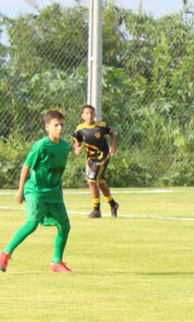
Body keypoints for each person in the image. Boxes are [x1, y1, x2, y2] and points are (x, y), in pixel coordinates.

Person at [1, 111, 74, 275]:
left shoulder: (64, 147)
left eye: (62, 124)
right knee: (32, 223)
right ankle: (5, 253)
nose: (60, 128)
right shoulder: (41, 146)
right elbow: (26, 167)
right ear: (47, 127)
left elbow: (57, 172)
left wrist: (59, 191)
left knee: (65, 226)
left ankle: (57, 263)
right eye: (56, 125)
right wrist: (21, 190)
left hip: (54, 193)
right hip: (36, 191)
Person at [72, 104, 119, 218]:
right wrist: (77, 148)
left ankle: (96, 210)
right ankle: (113, 204)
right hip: (91, 159)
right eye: (87, 113)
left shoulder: (101, 126)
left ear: (95, 114)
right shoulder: (79, 129)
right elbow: (77, 142)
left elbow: (111, 133)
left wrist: (113, 145)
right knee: (100, 182)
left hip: (103, 156)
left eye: (92, 113)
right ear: (82, 116)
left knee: (91, 180)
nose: (90, 115)